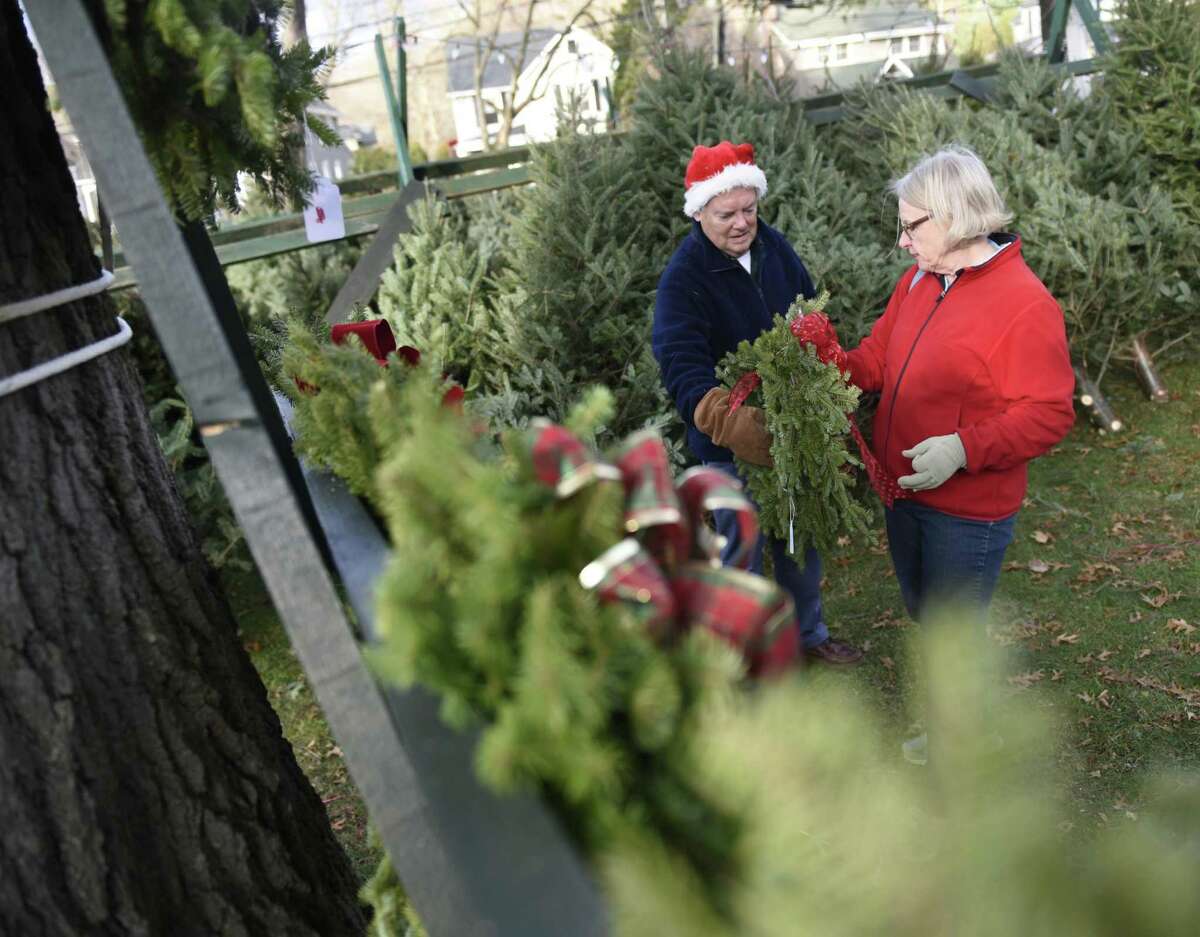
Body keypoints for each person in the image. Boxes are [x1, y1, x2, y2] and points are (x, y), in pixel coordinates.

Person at [843, 144, 1075, 762]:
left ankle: (965, 756)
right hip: (905, 493)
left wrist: (962, 448)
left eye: (911, 224)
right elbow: (877, 360)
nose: (902, 241)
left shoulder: (1024, 304)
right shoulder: (920, 280)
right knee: (927, 614)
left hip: (968, 511)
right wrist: (824, 363)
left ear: (956, 217)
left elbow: (1050, 413)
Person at [652, 140, 863, 666]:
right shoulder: (684, 279)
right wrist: (732, 421)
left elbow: (809, 315)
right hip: (731, 443)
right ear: (700, 211)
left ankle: (809, 636)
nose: (741, 223)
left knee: (801, 539)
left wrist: (823, 384)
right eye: (726, 214)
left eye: (749, 209)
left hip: (796, 428)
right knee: (740, 548)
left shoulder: (775, 248)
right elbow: (681, 363)